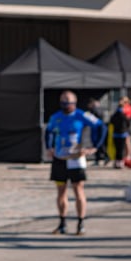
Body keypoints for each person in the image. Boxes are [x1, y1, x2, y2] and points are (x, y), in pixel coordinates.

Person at [45, 90, 106, 236]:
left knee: (78, 190)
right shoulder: (56, 117)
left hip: (76, 158)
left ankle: (80, 223)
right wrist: (49, 147)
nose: (66, 106)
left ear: (75, 103)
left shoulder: (81, 115)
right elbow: (49, 131)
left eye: (68, 103)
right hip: (60, 157)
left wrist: (95, 147)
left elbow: (101, 126)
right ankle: (62, 222)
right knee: (61, 191)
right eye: (63, 103)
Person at [108, 99, 131, 169]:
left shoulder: (115, 115)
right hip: (122, 134)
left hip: (116, 134)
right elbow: (128, 123)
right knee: (121, 149)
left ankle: (117, 162)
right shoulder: (124, 115)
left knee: (118, 149)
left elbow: (111, 122)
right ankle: (120, 163)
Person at [86, 98, 109, 166]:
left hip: (100, 128)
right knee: (96, 144)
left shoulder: (96, 109)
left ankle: (106, 157)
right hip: (96, 128)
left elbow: (98, 117)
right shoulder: (92, 110)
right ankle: (98, 159)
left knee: (100, 144)